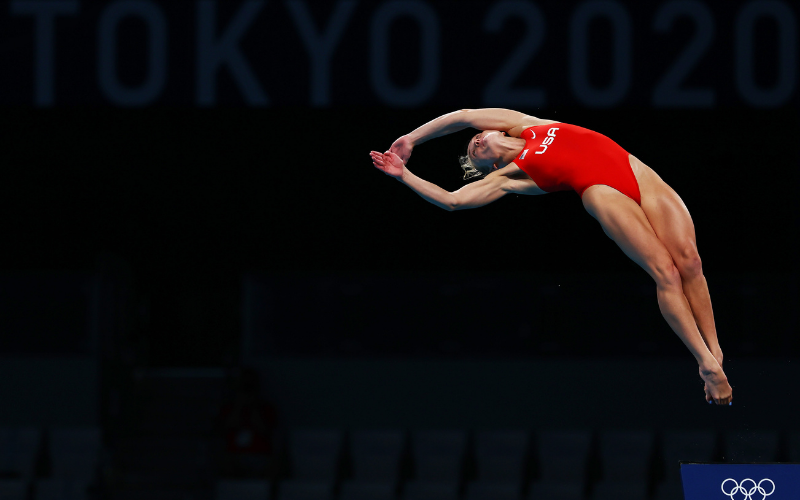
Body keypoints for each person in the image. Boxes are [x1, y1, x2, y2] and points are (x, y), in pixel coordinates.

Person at [369, 108, 732, 405]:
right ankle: (704, 363)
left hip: (634, 169)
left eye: (477, 138)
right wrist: (404, 175)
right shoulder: (510, 175)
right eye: (474, 152)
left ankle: (716, 355)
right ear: (490, 167)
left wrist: (411, 138)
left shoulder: (528, 125)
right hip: (602, 191)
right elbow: (453, 200)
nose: (476, 142)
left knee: (690, 262)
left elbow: (463, 116)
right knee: (666, 272)